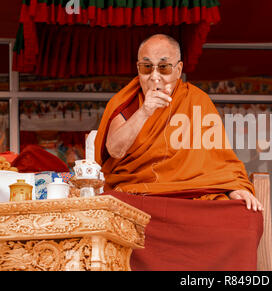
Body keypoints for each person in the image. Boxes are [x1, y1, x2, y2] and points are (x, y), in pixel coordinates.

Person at [94, 34, 263, 270]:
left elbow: (218, 159)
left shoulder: (197, 101)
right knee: (110, 206)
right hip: (141, 199)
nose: (154, 76)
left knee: (245, 218)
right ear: (138, 68)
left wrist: (234, 188)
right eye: (146, 67)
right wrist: (144, 112)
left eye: (163, 67)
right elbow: (115, 149)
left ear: (178, 69)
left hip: (189, 200)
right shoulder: (127, 103)